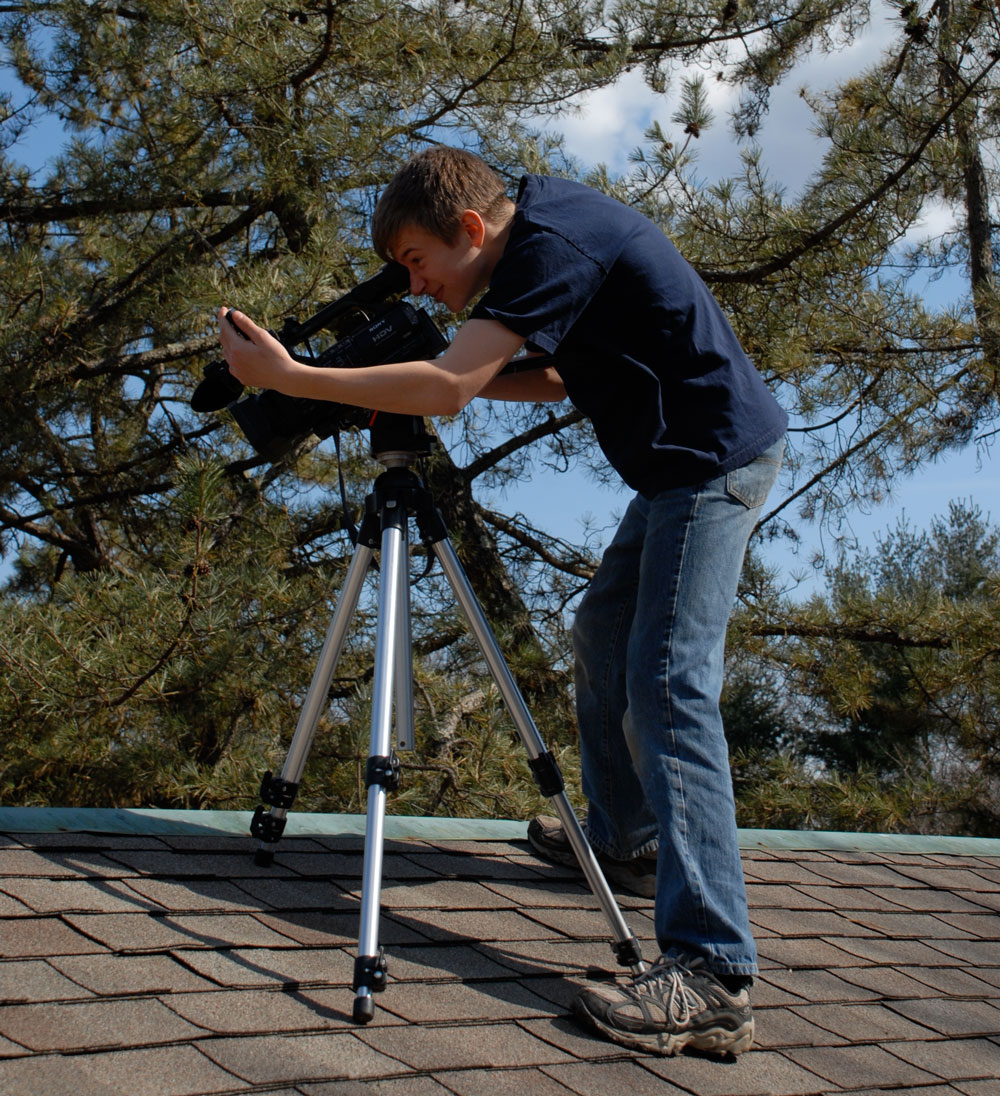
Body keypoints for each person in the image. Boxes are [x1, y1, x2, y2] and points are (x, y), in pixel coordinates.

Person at [218, 146, 788, 1058]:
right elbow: (560, 377)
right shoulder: (542, 233)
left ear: (471, 230)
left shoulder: (551, 246)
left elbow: (446, 390)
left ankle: (714, 973)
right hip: (675, 464)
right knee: (602, 635)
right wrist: (438, 377)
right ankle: (628, 844)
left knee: (669, 680)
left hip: (710, 463)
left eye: (416, 263)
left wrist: (296, 379)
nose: (420, 284)